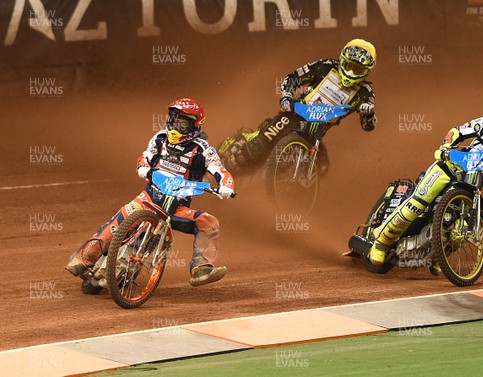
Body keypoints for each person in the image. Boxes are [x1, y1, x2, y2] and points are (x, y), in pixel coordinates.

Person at [66, 98, 235, 287]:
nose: (175, 125)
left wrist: (227, 186)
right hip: (148, 198)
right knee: (114, 226)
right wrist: (144, 168)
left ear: (195, 125)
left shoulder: (204, 150)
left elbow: (221, 171)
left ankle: (201, 270)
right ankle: (82, 260)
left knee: (209, 223)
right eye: (173, 118)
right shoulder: (160, 138)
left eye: (182, 122)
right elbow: (144, 157)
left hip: (176, 208)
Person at [368, 102, 483, 273]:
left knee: (468, 226)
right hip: (450, 168)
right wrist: (446, 146)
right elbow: (457, 131)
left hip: (474, 187)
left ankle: (438, 256)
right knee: (418, 203)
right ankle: (381, 243)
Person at [218, 38, 378, 174]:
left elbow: (368, 126)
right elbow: (294, 77)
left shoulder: (365, 92)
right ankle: (221, 165)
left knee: (322, 167)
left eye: (357, 69)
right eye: (349, 66)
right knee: (257, 148)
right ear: (342, 60)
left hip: (315, 133)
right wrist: (286, 96)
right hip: (295, 114)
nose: (351, 72)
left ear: (367, 71)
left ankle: (288, 195)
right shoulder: (326, 66)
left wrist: (368, 114)